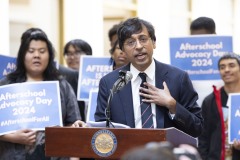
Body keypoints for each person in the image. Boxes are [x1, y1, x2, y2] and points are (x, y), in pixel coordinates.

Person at [95, 17, 203, 138]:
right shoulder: (110, 83)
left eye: (143, 39)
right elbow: (100, 129)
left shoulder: (178, 78)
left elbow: (197, 128)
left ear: (154, 42)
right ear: (123, 50)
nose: (139, 46)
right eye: (131, 42)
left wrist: (172, 105)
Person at [0, 28, 85, 160]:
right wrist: (13, 137)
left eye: (42, 51)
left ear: (49, 55)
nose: (36, 55)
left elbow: (72, 122)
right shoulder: (6, 85)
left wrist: (76, 126)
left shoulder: (62, 85)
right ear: (23, 55)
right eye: (31, 51)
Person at [198, 53, 240, 160]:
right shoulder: (210, 101)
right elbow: (203, 136)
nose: (226, 70)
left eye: (231, 65)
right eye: (222, 67)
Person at [62, 39, 92, 121]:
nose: (72, 57)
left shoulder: (95, 78)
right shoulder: (62, 80)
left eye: (77, 53)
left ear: (88, 55)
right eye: (68, 54)